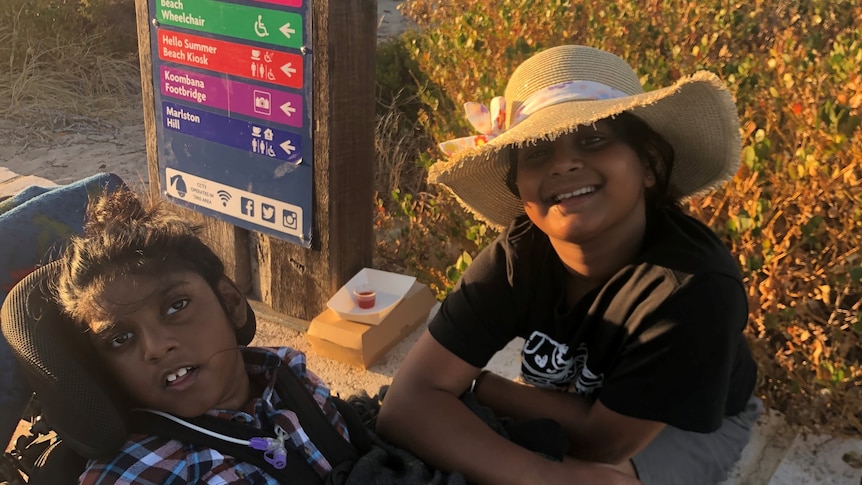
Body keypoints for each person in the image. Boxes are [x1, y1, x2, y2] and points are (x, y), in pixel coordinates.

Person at [376, 45, 761, 485]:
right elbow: (405, 405)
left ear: (649, 165)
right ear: (519, 187)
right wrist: (541, 471)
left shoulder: (691, 287)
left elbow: (603, 442)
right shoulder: (518, 256)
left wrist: (481, 389)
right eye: (537, 151)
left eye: (593, 139)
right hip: (579, 399)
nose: (563, 164)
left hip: (683, 419)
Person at [52, 187, 352, 484]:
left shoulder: (287, 372)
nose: (157, 347)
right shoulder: (142, 471)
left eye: (176, 306)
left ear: (232, 304)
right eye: (120, 339)